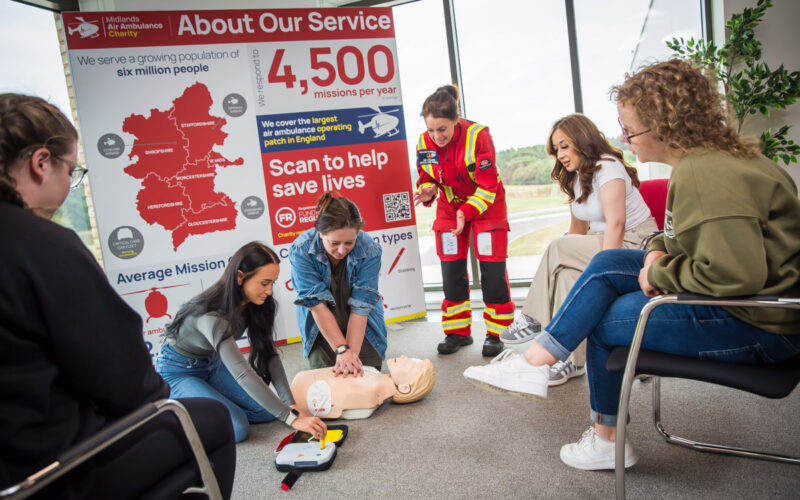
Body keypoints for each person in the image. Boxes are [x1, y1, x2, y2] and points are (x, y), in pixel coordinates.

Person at [462, 59, 800, 471]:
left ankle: (607, 441)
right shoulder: (710, 161)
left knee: (603, 323)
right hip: (753, 302)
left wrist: (658, 272)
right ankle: (537, 361)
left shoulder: (706, 174)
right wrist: (658, 247)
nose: (623, 137)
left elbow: (735, 275)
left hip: (761, 323)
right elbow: (683, 236)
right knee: (608, 262)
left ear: (664, 124)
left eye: (630, 128)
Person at [0, 93, 236, 499]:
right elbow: (127, 386)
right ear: (41, 163)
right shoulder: (44, 246)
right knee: (209, 420)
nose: (70, 186)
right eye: (71, 171)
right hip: (48, 473)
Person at [498, 114, 657, 387]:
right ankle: (573, 360)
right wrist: (566, 263)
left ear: (582, 141)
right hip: (601, 239)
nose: (559, 155)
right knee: (565, 274)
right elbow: (577, 229)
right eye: (556, 149)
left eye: (564, 146)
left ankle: (534, 318)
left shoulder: (608, 167)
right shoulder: (575, 177)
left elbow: (616, 224)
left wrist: (606, 270)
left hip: (634, 243)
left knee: (558, 246)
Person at [156, 241, 327, 443]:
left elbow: (269, 355)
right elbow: (243, 374)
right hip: (178, 371)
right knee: (237, 428)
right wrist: (291, 419)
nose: (270, 291)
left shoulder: (257, 303)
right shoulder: (211, 316)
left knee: (266, 412)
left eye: (272, 283)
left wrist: (290, 405)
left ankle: (208, 400)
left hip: (212, 364)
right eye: (264, 283)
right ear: (240, 277)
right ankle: (178, 408)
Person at [415, 85, 513, 357]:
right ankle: (457, 331)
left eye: (442, 129)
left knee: (492, 274)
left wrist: (466, 212)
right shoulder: (424, 142)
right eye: (431, 130)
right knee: (451, 271)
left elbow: (488, 186)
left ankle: (496, 334)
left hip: (485, 206)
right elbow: (428, 176)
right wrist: (427, 190)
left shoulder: (479, 136)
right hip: (449, 207)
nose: (436, 136)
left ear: (456, 120)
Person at [290, 192, 387, 376]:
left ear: (358, 233)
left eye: (349, 242)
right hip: (322, 325)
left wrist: (351, 358)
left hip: (361, 325)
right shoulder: (301, 250)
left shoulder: (370, 249)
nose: (342, 250)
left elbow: (361, 307)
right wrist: (342, 350)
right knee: (328, 383)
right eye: (334, 243)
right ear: (320, 233)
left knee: (365, 375)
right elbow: (317, 307)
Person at [290, 356, 435, 419]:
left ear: (404, 388)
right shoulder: (373, 371)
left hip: (297, 398)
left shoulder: (369, 397)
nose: (404, 357)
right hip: (301, 385)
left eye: (409, 364)